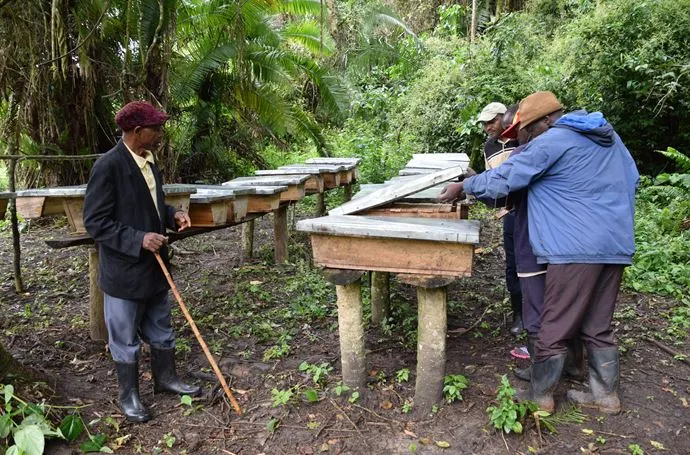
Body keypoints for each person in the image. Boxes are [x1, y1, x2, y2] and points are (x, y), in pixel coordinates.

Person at [441, 91, 639, 413]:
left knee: (553, 324)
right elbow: (632, 179)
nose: (528, 139)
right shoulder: (609, 138)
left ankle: (541, 397)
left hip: (575, 248)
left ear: (546, 119)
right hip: (615, 244)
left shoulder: (555, 139)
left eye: (529, 132)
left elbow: (506, 177)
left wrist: (464, 186)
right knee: (597, 323)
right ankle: (606, 397)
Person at [84, 101, 202, 423]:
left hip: (154, 268)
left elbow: (152, 206)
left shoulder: (150, 163)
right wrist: (138, 239)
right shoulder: (108, 166)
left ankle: (166, 379)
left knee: (161, 327)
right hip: (124, 272)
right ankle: (129, 396)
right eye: (156, 129)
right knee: (124, 336)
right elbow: (95, 221)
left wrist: (172, 214)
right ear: (138, 132)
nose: (161, 134)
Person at [476, 102, 524, 336]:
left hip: (528, 208)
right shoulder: (489, 147)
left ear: (504, 118)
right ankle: (519, 315)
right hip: (508, 212)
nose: (488, 127)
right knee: (512, 264)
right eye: (484, 124)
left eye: (491, 122)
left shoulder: (521, 138)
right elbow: (491, 179)